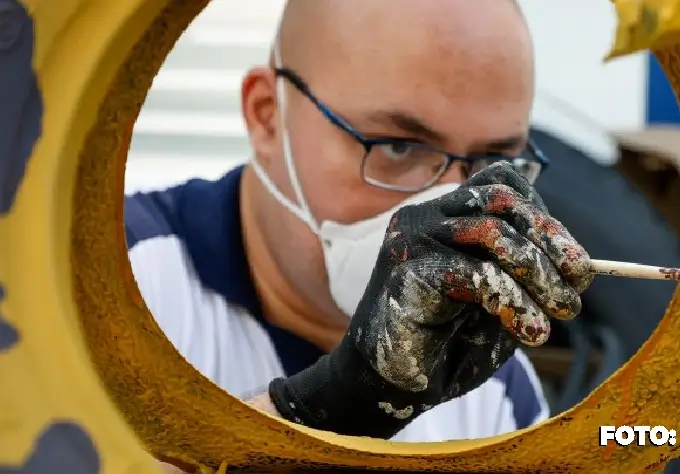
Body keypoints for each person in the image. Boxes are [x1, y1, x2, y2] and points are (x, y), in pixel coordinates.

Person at [126, 0, 594, 467]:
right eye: (398, 146)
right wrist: (332, 409)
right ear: (267, 115)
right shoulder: (115, 282)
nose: (451, 201)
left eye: (495, 162)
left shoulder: (495, 390)